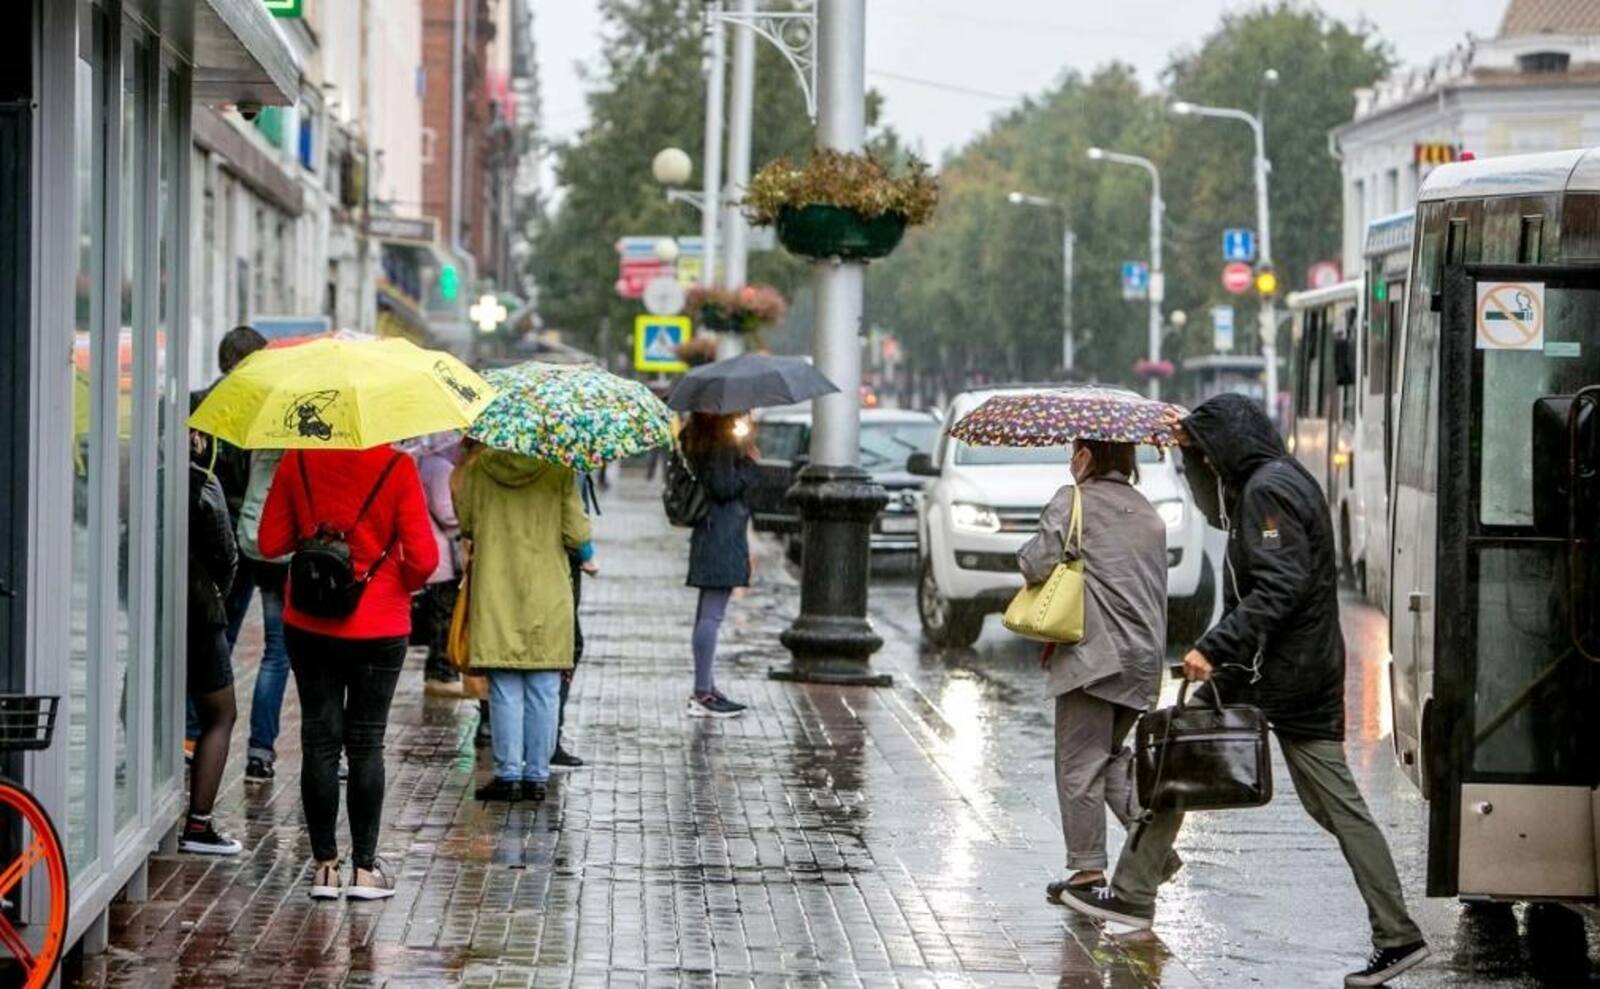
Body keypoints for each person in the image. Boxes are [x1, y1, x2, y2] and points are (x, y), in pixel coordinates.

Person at [1056, 394, 1429, 989]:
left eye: (1204, 453)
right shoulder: (1273, 480)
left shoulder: (1267, 491)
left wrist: (1217, 646)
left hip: (1285, 675)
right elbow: (1233, 539)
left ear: (1226, 448)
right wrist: (1185, 452)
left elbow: (1278, 588)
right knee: (1178, 758)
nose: (1201, 464)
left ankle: (1399, 935)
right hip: (1267, 669)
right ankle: (1130, 893)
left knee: (1335, 805)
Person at [258, 444, 437, 901]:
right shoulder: (398, 467)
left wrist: (313, 534)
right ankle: (364, 870)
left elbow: (270, 542)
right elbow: (423, 558)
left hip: (310, 620)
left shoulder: (297, 460)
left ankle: (323, 869)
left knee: (318, 740)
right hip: (379, 624)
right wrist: (392, 579)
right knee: (366, 742)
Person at [1016, 439, 1167, 899]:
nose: (1070, 460)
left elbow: (1033, 563)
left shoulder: (1073, 500)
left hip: (1094, 659)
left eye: (1074, 451)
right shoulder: (1147, 511)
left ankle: (1086, 874)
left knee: (1079, 765)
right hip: (1143, 661)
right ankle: (1156, 852)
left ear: (1085, 458)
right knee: (1111, 758)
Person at [455, 449, 592, 802]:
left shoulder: (480, 468)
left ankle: (508, 775)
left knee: (504, 687)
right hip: (547, 590)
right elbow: (577, 534)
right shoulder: (559, 469)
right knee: (544, 688)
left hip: (496, 587)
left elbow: (467, 523)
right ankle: (537, 776)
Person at [186, 326, 268, 763]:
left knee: (203, 632)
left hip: (200, 537)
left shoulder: (196, 404)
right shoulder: (254, 411)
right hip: (234, 536)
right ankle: (195, 726)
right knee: (222, 634)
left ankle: (189, 727)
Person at [181, 431, 243, 855]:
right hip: (201, 611)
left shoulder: (146, 478)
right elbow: (226, 554)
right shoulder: (202, 482)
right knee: (221, 713)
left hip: (157, 610)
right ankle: (199, 825)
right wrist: (217, 594)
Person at [682, 412, 759, 718]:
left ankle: (706, 686)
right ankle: (703, 693)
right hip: (721, 534)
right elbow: (724, 486)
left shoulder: (698, 437)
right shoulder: (720, 442)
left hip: (712, 531)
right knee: (711, 615)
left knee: (707, 612)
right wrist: (750, 463)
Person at [231, 448, 290, 783]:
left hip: (260, 545)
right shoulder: (307, 446)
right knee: (282, 654)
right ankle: (262, 748)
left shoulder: (263, 437)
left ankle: (259, 753)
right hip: (291, 555)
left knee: (274, 656)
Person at [417, 435, 465, 692]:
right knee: (444, 615)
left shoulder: (423, 461)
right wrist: (466, 519)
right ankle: (441, 673)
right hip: (442, 554)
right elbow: (446, 513)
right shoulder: (442, 468)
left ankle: (438, 671)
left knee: (439, 612)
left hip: (431, 548)